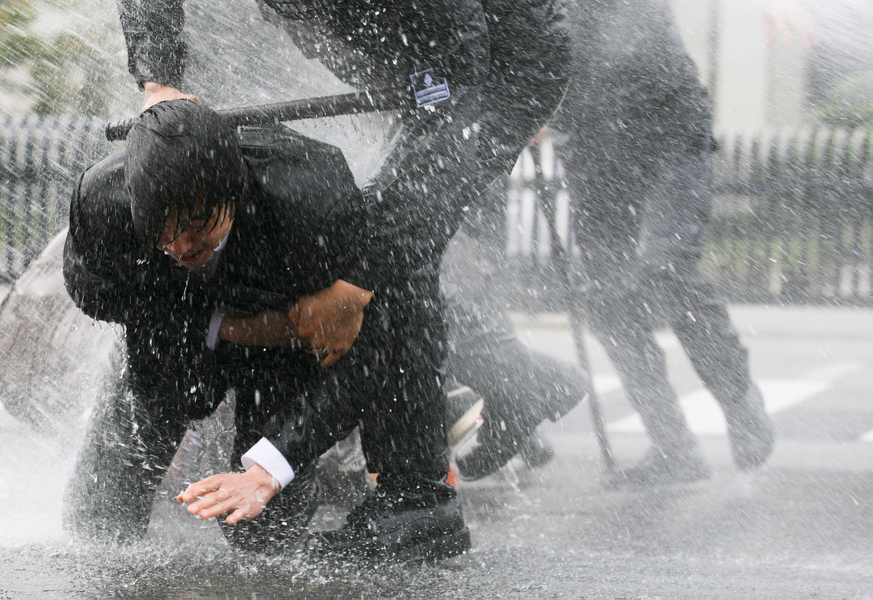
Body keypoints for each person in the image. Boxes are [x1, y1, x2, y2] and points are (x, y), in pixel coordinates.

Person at [111, 1, 579, 488]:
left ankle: (417, 496)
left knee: (385, 246)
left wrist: (355, 285)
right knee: (374, 246)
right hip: (395, 49)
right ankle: (516, 384)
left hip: (494, 66)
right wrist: (159, 79)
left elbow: (456, 85)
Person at [63, 99, 470, 561]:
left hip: (279, 360)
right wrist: (234, 326)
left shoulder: (313, 197)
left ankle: (351, 482)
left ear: (234, 191)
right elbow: (98, 296)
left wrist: (268, 468)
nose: (180, 246)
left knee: (262, 540)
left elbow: (371, 350)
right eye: (162, 231)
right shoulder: (101, 206)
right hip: (174, 340)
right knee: (95, 520)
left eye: (197, 225)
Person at [450, 0, 776, 487]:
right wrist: (528, 100)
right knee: (605, 296)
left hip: (670, 132)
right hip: (596, 150)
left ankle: (736, 396)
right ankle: (674, 446)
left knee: (667, 268)